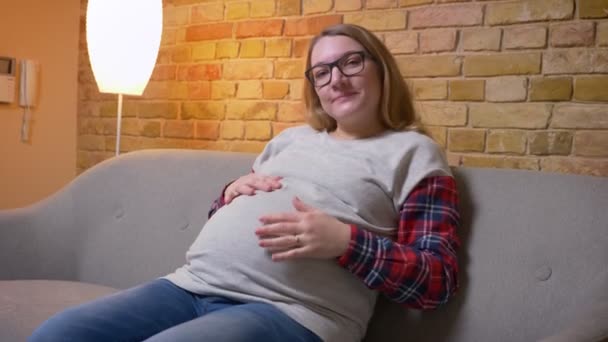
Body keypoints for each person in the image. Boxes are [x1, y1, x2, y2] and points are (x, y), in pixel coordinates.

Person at [30, 23, 460, 342]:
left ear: (381, 69)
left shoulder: (413, 153)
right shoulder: (291, 139)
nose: (337, 79)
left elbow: (434, 282)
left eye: (351, 62)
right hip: (191, 285)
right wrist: (229, 196)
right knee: (58, 333)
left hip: (293, 313)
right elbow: (235, 217)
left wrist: (345, 242)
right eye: (322, 71)